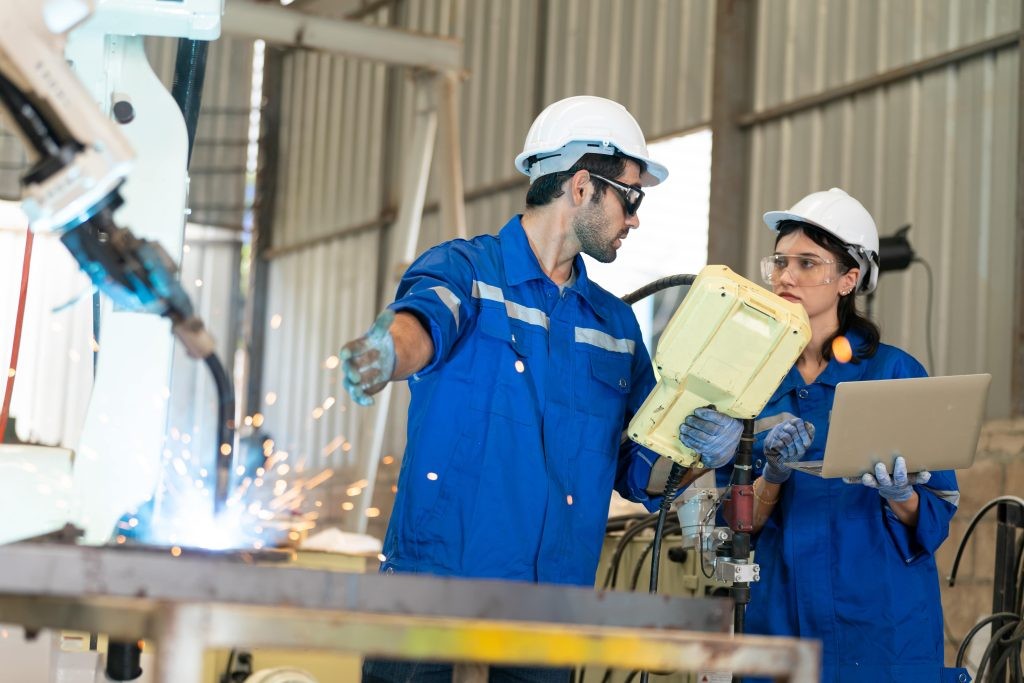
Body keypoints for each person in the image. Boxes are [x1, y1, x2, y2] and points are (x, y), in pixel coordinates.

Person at [342, 95, 726, 683]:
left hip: (549, 611)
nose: (635, 219)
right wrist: (388, 351)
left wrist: (699, 452)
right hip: (433, 592)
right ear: (581, 186)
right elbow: (425, 320)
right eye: (630, 197)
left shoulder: (615, 328)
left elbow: (638, 470)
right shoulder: (468, 272)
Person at [681, 188, 970, 682]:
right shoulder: (748, 381)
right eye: (780, 262)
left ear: (848, 279)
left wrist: (900, 495)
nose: (786, 276)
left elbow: (936, 513)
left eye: (807, 263)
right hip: (781, 621)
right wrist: (771, 477)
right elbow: (736, 523)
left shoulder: (894, 373)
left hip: (881, 625)